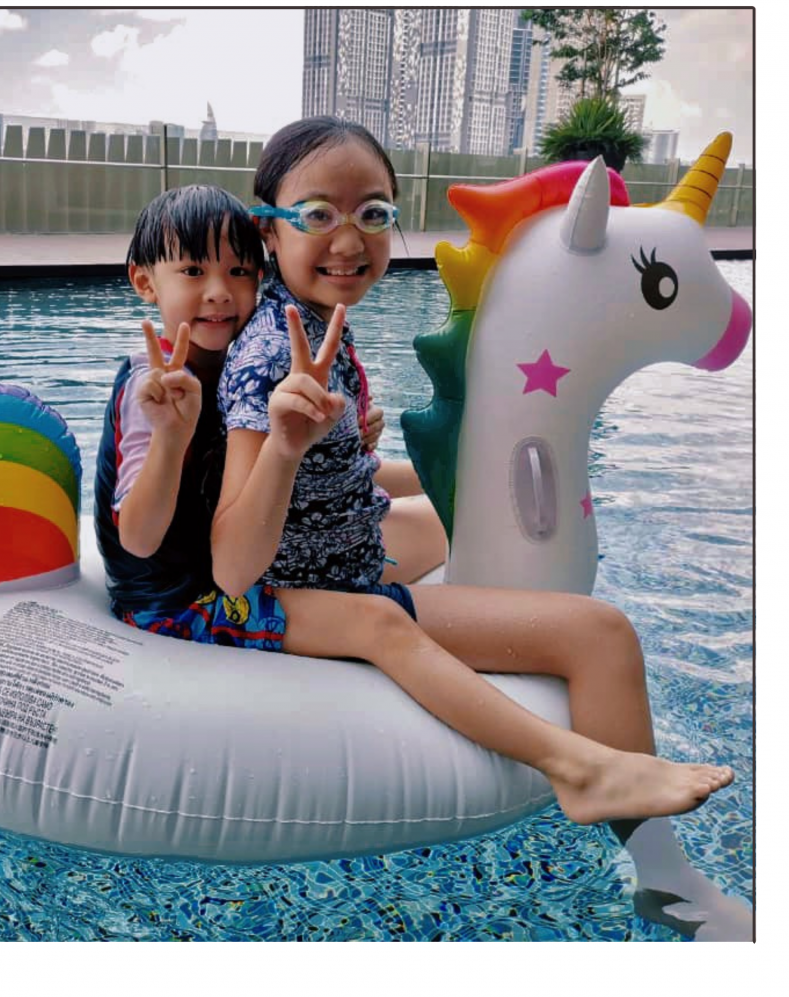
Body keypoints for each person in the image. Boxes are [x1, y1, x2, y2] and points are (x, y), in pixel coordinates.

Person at [210, 116, 735, 838]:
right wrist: (283, 447)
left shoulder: (310, 315)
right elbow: (233, 569)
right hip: (295, 592)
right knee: (601, 634)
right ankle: (637, 840)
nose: (349, 241)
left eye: (372, 214)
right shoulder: (274, 352)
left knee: (469, 512)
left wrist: (359, 456)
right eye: (318, 215)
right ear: (267, 230)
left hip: (337, 546)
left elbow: (334, 481)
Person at [94, 184, 291, 650]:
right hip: (170, 606)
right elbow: (138, 540)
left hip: (217, 576)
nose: (219, 293)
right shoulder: (154, 387)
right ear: (145, 283)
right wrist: (169, 436)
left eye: (238, 271)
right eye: (193, 271)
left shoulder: (242, 366)